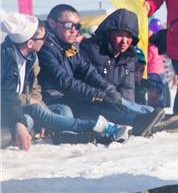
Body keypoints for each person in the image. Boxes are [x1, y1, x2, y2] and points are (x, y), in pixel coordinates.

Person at [2, 12, 130, 148]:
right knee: (33, 113)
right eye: (43, 38)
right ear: (29, 43)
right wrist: (27, 110)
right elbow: (6, 97)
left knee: (60, 108)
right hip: (9, 110)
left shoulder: (31, 58)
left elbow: (35, 90)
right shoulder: (6, 60)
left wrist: (46, 115)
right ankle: (97, 127)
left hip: (20, 107)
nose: (46, 40)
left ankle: (66, 135)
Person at [37, 4, 169, 137]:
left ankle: (160, 118)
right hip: (53, 99)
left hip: (70, 96)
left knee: (116, 101)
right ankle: (139, 120)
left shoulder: (68, 46)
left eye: (77, 26)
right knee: (94, 107)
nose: (73, 30)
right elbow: (65, 82)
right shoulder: (45, 47)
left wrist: (109, 91)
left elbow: (88, 72)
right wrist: (102, 97)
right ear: (52, 23)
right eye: (68, 25)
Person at [79, 9, 178, 134]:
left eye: (128, 36)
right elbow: (87, 80)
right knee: (122, 110)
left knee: (135, 106)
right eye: (120, 35)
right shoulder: (90, 49)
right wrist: (110, 98)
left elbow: (127, 87)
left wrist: (127, 106)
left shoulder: (128, 55)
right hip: (89, 100)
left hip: (114, 98)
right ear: (108, 32)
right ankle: (146, 122)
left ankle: (163, 120)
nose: (124, 41)